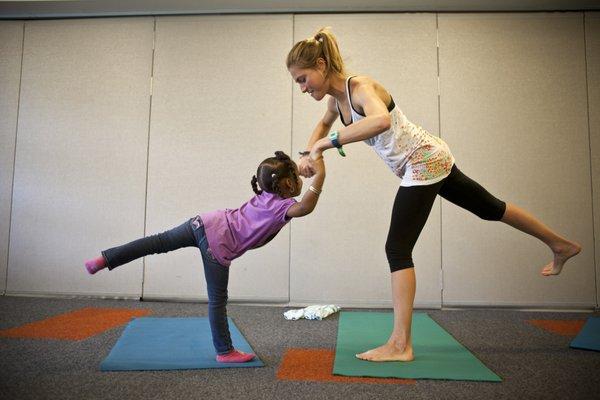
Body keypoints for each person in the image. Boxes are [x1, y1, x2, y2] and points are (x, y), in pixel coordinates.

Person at [286, 27, 581, 362]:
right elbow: (323, 126)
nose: (302, 87)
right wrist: (308, 152)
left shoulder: (360, 87)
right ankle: (560, 245)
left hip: (423, 161)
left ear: (322, 65)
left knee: (397, 247)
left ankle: (400, 344)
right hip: (430, 156)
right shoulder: (336, 101)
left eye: (302, 79)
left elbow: (380, 121)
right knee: (490, 208)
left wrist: (327, 144)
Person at [84, 151, 325, 363]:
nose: (300, 179)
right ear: (286, 184)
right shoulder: (281, 207)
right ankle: (225, 351)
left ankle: (105, 259)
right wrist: (320, 176)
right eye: (296, 176)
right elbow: (305, 207)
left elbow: (284, 178)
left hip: (205, 221)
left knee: (156, 242)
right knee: (217, 300)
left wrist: (307, 158)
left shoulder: (267, 195)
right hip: (218, 245)